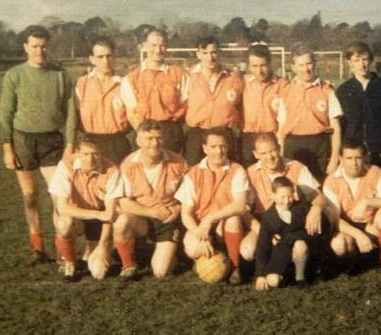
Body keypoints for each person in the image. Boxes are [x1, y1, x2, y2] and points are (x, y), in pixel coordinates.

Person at [0, 25, 76, 265]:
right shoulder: (15, 74)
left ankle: (63, 250)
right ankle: (38, 248)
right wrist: (7, 147)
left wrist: (70, 143)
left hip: (52, 140)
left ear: (48, 47)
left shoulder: (60, 74)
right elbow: (4, 112)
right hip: (23, 140)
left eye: (43, 46)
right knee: (30, 195)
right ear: (26, 47)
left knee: (58, 197)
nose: (39, 51)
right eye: (34, 46)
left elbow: (71, 111)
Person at [335, 42, 381, 261]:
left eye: (365, 59)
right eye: (356, 60)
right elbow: (339, 127)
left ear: (371, 60)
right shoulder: (343, 90)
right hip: (354, 160)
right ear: (349, 63)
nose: (361, 64)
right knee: (356, 205)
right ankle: (361, 249)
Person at [113, 119, 188, 281]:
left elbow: (189, 197)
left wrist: (177, 210)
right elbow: (123, 202)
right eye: (149, 139)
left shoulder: (178, 162)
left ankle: (163, 250)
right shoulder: (128, 164)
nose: (155, 143)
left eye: (159, 138)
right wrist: (152, 212)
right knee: (122, 222)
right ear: (138, 141)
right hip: (142, 218)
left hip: (168, 219)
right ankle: (128, 266)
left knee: (161, 272)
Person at [241, 132, 330, 264]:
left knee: (300, 248)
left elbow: (318, 197)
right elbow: (245, 211)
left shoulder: (296, 167)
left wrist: (316, 209)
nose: (269, 157)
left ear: (279, 148)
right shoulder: (250, 173)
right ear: (255, 154)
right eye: (263, 153)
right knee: (248, 251)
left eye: (272, 151)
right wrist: (264, 233)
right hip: (266, 222)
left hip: (293, 222)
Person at [175, 128, 249, 284]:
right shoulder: (193, 173)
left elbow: (240, 205)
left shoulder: (237, 170)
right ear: (204, 148)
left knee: (233, 220)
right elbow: (186, 214)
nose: (219, 151)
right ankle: (202, 261)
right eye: (213, 147)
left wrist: (210, 218)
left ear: (228, 147)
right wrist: (200, 236)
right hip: (202, 225)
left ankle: (236, 267)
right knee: (193, 248)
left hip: (224, 222)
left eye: (222, 146)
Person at [324, 143, 381, 281]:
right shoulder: (332, 180)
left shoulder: (374, 172)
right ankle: (355, 263)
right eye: (349, 158)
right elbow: (334, 218)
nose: (354, 163)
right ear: (340, 158)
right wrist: (359, 235)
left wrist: (367, 202)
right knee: (339, 245)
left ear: (364, 158)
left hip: (371, 224)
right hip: (347, 228)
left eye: (358, 158)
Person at [48, 140, 122, 281]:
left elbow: (110, 212)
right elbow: (62, 208)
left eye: (95, 154)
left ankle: (93, 252)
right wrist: (98, 215)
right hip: (76, 214)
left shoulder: (111, 170)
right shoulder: (65, 165)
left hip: (101, 220)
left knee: (98, 273)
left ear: (101, 153)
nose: (90, 159)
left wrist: (103, 245)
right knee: (64, 224)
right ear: (77, 152)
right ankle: (69, 262)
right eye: (86, 154)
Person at [277, 43, 342, 181]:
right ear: (293, 67)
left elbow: (336, 127)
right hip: (293, 146)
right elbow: (281, 130)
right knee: (295, 189)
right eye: (300, 65)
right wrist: (280, 156)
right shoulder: (286, 92)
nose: (305, 69)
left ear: (314, 64)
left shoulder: (327, 91)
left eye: (309, 64)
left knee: (320, 187)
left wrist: (334, 158)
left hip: (320, 144)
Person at [254, 177, 328, 290]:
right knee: (273, 282)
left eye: (290, 196)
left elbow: (320, 230)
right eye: (282, 197)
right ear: (273, 195)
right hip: (281, 253)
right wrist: (260, 274)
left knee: (300, 244)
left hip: (304, 251)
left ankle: (300, 278)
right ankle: (288, 274)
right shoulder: (268, 217)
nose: (287, 201)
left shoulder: (303, 208)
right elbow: (262, 246)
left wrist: (285, 238)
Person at [121, 27, 187, 153]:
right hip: (144, 130)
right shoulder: (132, 77)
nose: (158, 50)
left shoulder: (178, 74)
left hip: (170, 133)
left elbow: (185, 105)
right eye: (153, 45)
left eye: (162, 45)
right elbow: (131, 113)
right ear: (144, 46)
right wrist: (145, 135)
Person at [183, 36, 243, 165]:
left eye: (213, 52)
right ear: (198, 54)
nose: (210, 58)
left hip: (224, 134)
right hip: (197, 134)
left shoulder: (233, 78)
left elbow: (240, 106)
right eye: (205, 53)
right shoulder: (189, 77)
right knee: (194, 173)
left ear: (219, 53)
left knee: (227, 172)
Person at [76, 36, 131, 164]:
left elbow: (133, 115)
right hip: (90, 142)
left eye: (109, 56)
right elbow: (75, 116)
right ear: (92, 59)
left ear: (114, 57)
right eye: (100, 57)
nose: (105, 61)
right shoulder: (82, 83)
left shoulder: (124, 84)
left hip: (117, 143)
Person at [239, 44, 288, 167]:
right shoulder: (242, 82)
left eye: (263, 65)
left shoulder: (282, 84)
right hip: (248, 138)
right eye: (254, 66)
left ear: (270, 63)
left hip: (272, 137)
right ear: (248, 66)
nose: (259, 71)